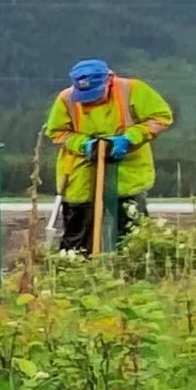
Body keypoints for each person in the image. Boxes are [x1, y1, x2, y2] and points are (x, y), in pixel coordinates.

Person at [43, 57, 173, 253]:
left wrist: (129, 138)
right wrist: (84, 145)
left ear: (109, 81)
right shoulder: (66, 99)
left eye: (95, 94)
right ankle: (76, 269)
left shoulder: (133, 90)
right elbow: (57, 132)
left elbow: (161, 118)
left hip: (127, 170)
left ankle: (129, 272)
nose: (90, 101)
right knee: (77, 234)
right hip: (81, 172)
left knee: (131, 232)